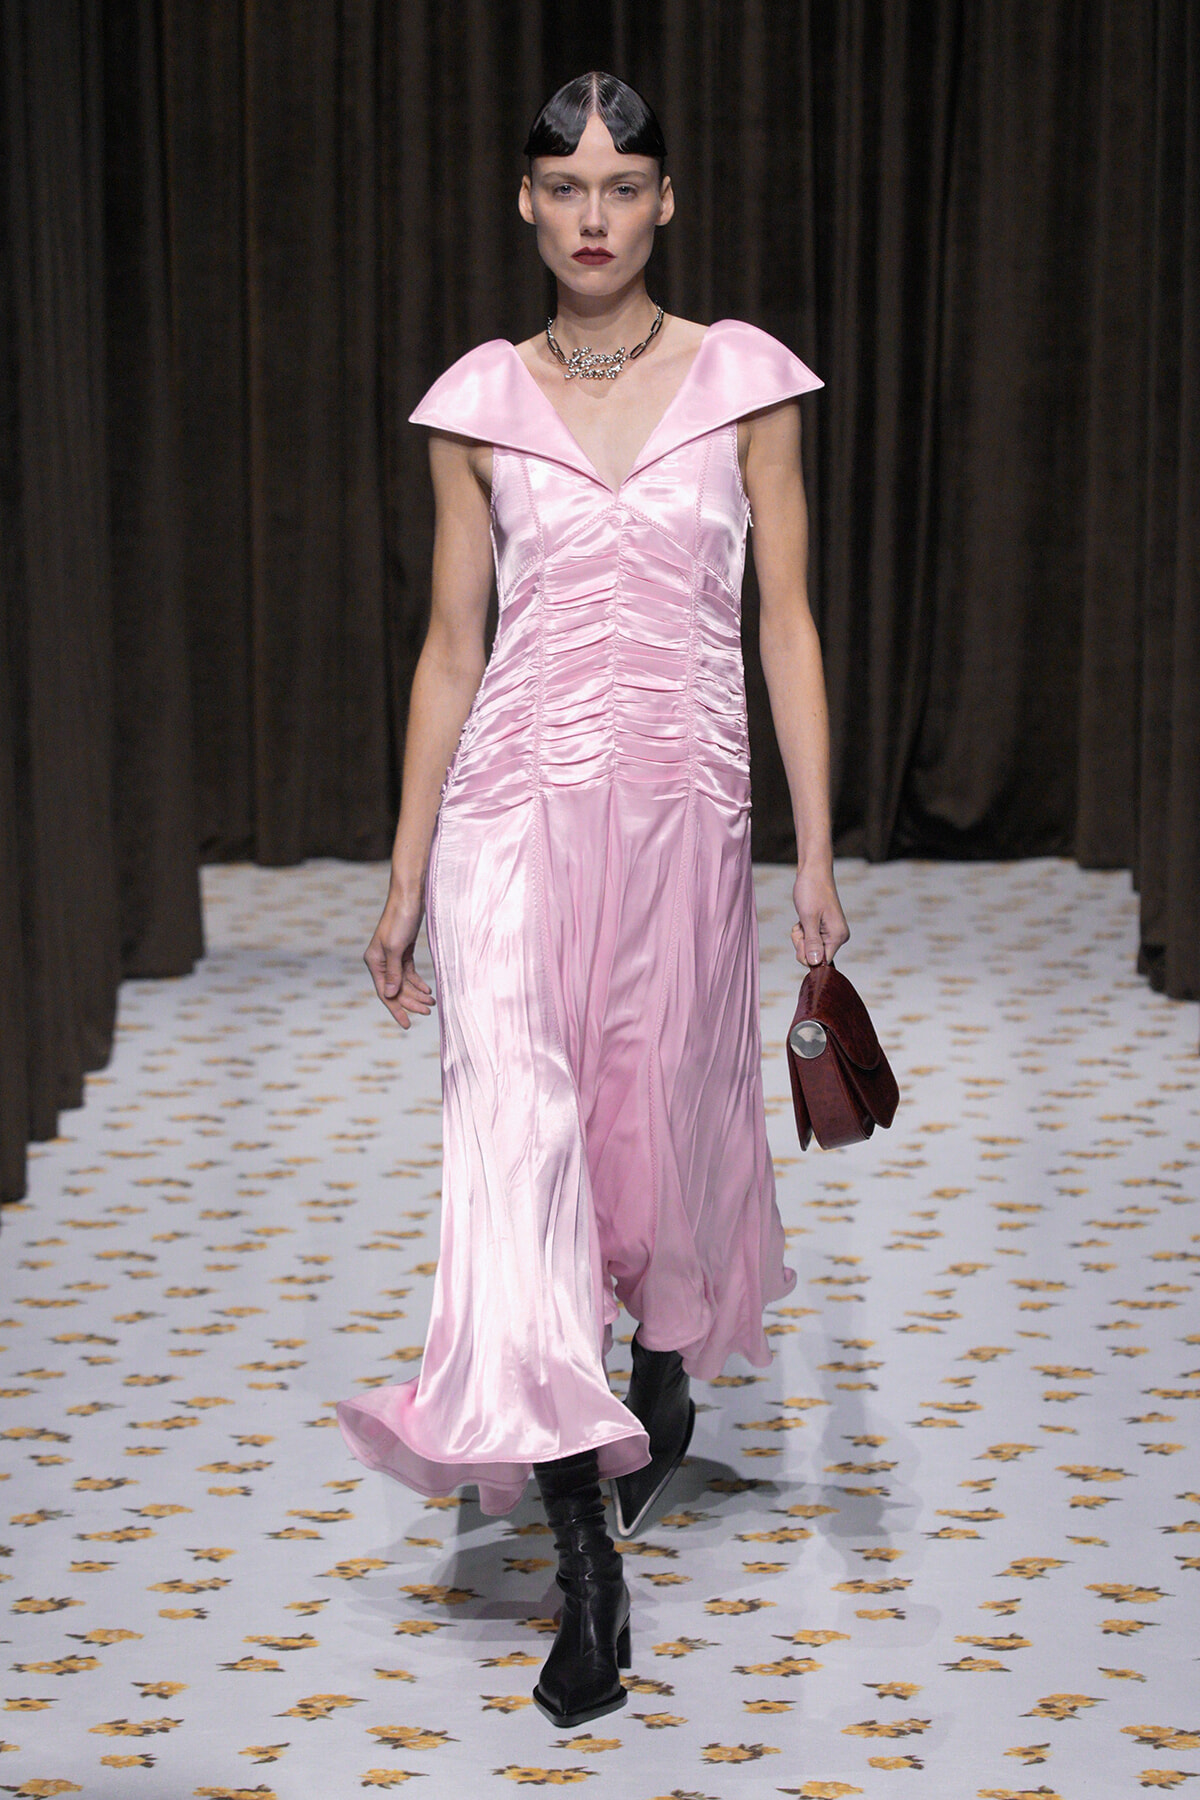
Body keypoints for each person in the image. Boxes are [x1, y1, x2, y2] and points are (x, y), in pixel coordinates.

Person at [337, 70, 849, 1730]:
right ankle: (585, 1565)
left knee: (660, 1126)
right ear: (527, 206)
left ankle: (658, 1371)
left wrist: (820, 854)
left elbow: (784, 622)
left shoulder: (745, 381)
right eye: (566, 186)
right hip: (510, 820)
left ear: (667, 202)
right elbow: (450, 646)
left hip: (686, 815)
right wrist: (410, 869)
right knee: (518, 1151)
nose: (594, 213)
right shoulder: (481, 400)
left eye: (624, 185)